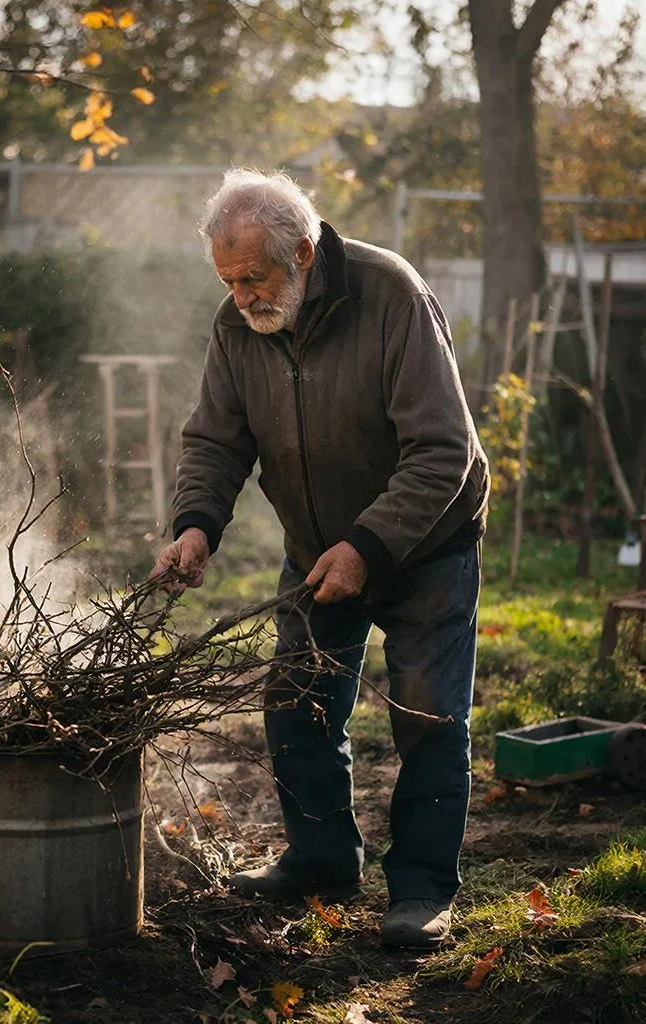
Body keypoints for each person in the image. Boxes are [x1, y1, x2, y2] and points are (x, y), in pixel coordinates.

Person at [149, 169, 490, 949]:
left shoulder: (389, 295)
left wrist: (367, 547)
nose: (241, 296)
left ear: (302, 252)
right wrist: (197, 524)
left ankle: (422, 892)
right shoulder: (239, 326)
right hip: (316, 550)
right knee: (295, 706)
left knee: (428, 717)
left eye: (253, 277)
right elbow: (215, 437)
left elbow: (444, 450)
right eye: (228, 280)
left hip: (426, 543)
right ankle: (324, 859)